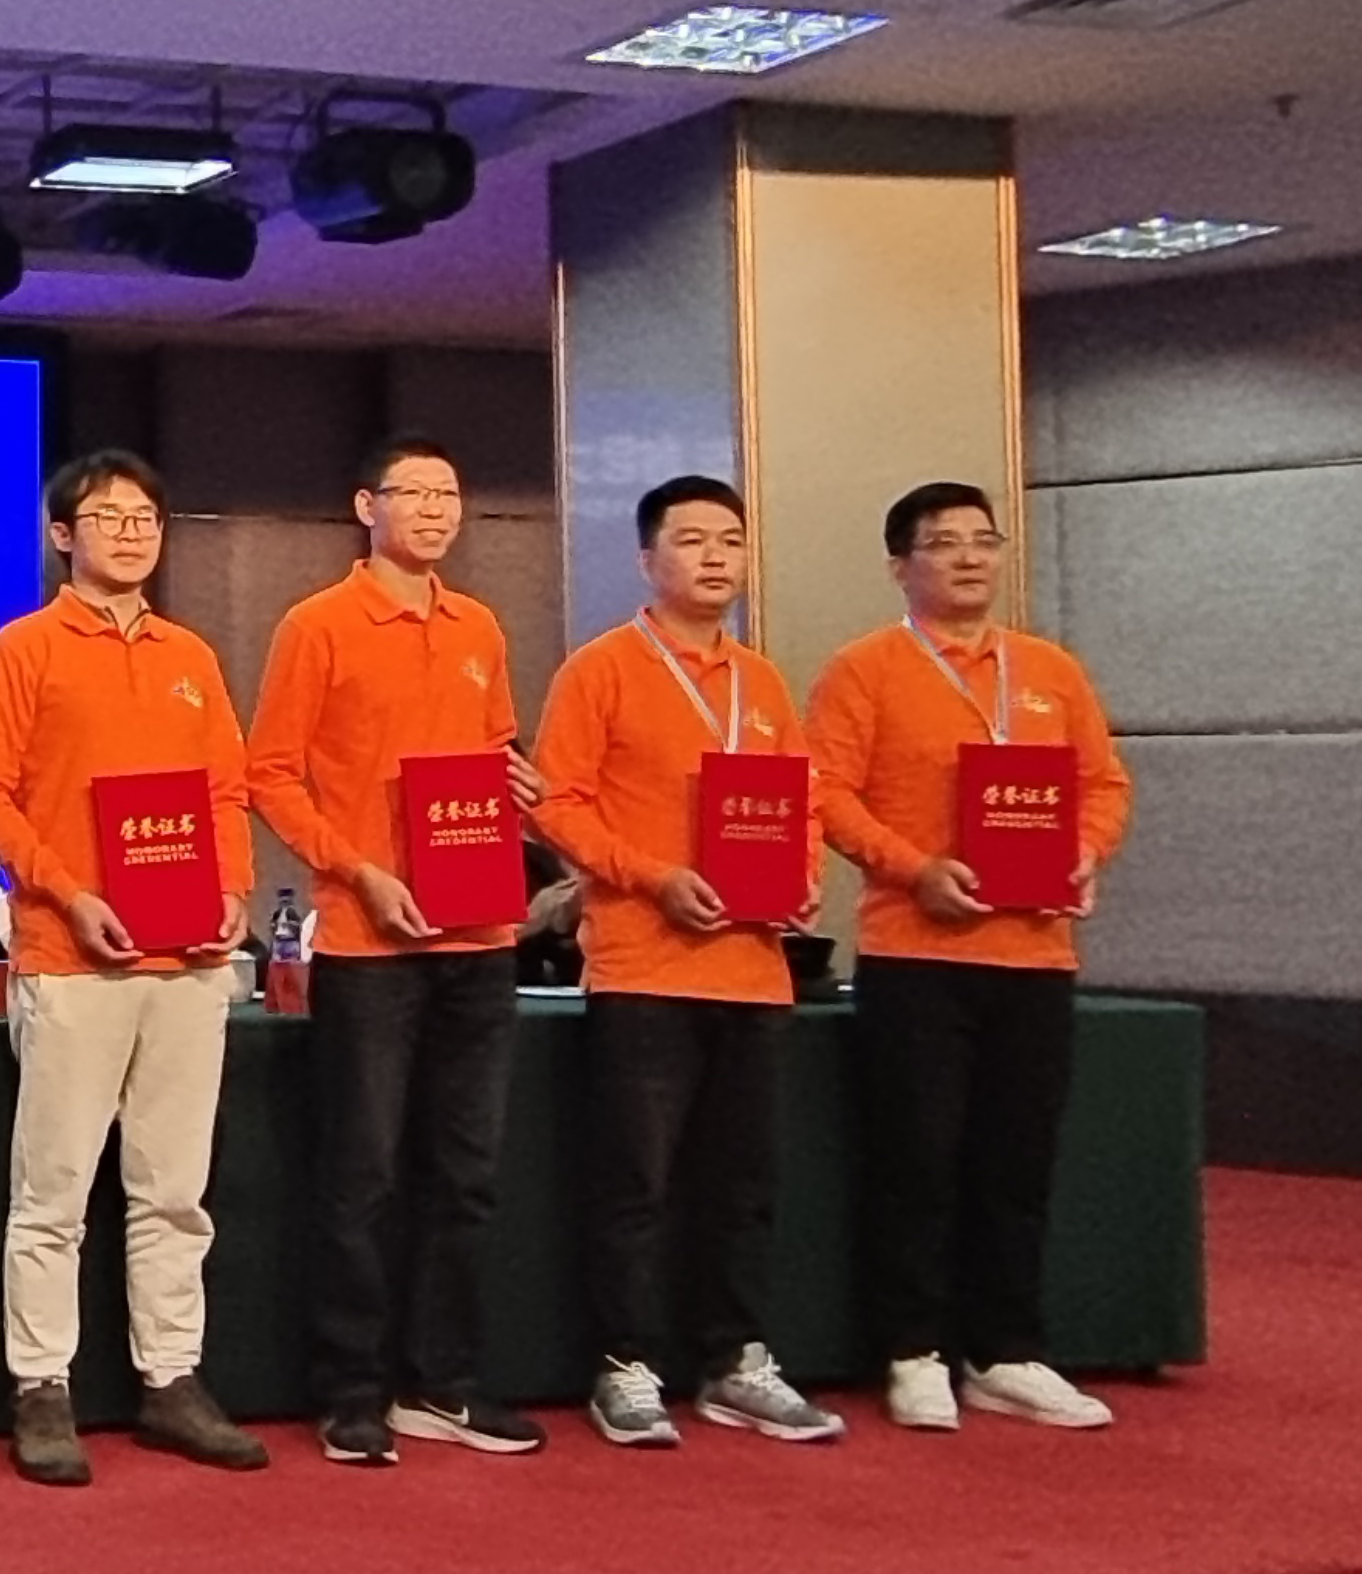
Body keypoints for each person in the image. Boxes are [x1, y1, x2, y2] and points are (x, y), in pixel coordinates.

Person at [0, 450, 265, 1484]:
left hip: (188, 959)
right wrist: (65, 891)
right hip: (69, 954)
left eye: (145, 518)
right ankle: (41, 1387)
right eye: (107, 516)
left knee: (174, 1189)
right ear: (60, 535)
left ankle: (171, 1378)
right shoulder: (22, 649)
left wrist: (232, 889)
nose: (129, 533)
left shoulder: (189, 654)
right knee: (53, 1193)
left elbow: (224, 790)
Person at [807, 481, 1133, 1432]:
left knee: (1016, 1161)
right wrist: (915, 870)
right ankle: (913, 1351)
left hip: (1034, 956)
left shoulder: (1048, 670)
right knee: (918, 1161)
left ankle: (1006, 1351)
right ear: (899, 565)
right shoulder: (865, 670)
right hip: (917, 953)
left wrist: (1085, 851)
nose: (967, 558)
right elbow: (825, 793)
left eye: (982, 541)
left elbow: (1104, 784)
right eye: (942, 543)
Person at [247, 435, 546, 1466]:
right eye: (411, 492)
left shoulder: (479, 626)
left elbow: (493, 753)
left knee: (465, 1175)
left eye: (448, 493)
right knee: (363, 1176)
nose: (433, 509)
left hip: (481, 935)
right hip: (369, 943)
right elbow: (270, 773)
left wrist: (518, 786)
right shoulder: (317, 624)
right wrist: (358, 871)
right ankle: (351, 1391)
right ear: (363, 506)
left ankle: (442, 1383)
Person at [532, 476, 842, 1450]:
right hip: (644, 967)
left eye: (730, 542)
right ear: (646, 558)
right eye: (692, 540)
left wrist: (799, 879)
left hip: (752, 970)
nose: (715, 557)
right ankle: (624, 1365)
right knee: (636, 1183)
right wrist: (652, 877)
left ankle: (734, 1360)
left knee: (742, 1184)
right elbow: (557, 804)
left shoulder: (760, 681)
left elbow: (797, 799)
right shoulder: (601, 670)